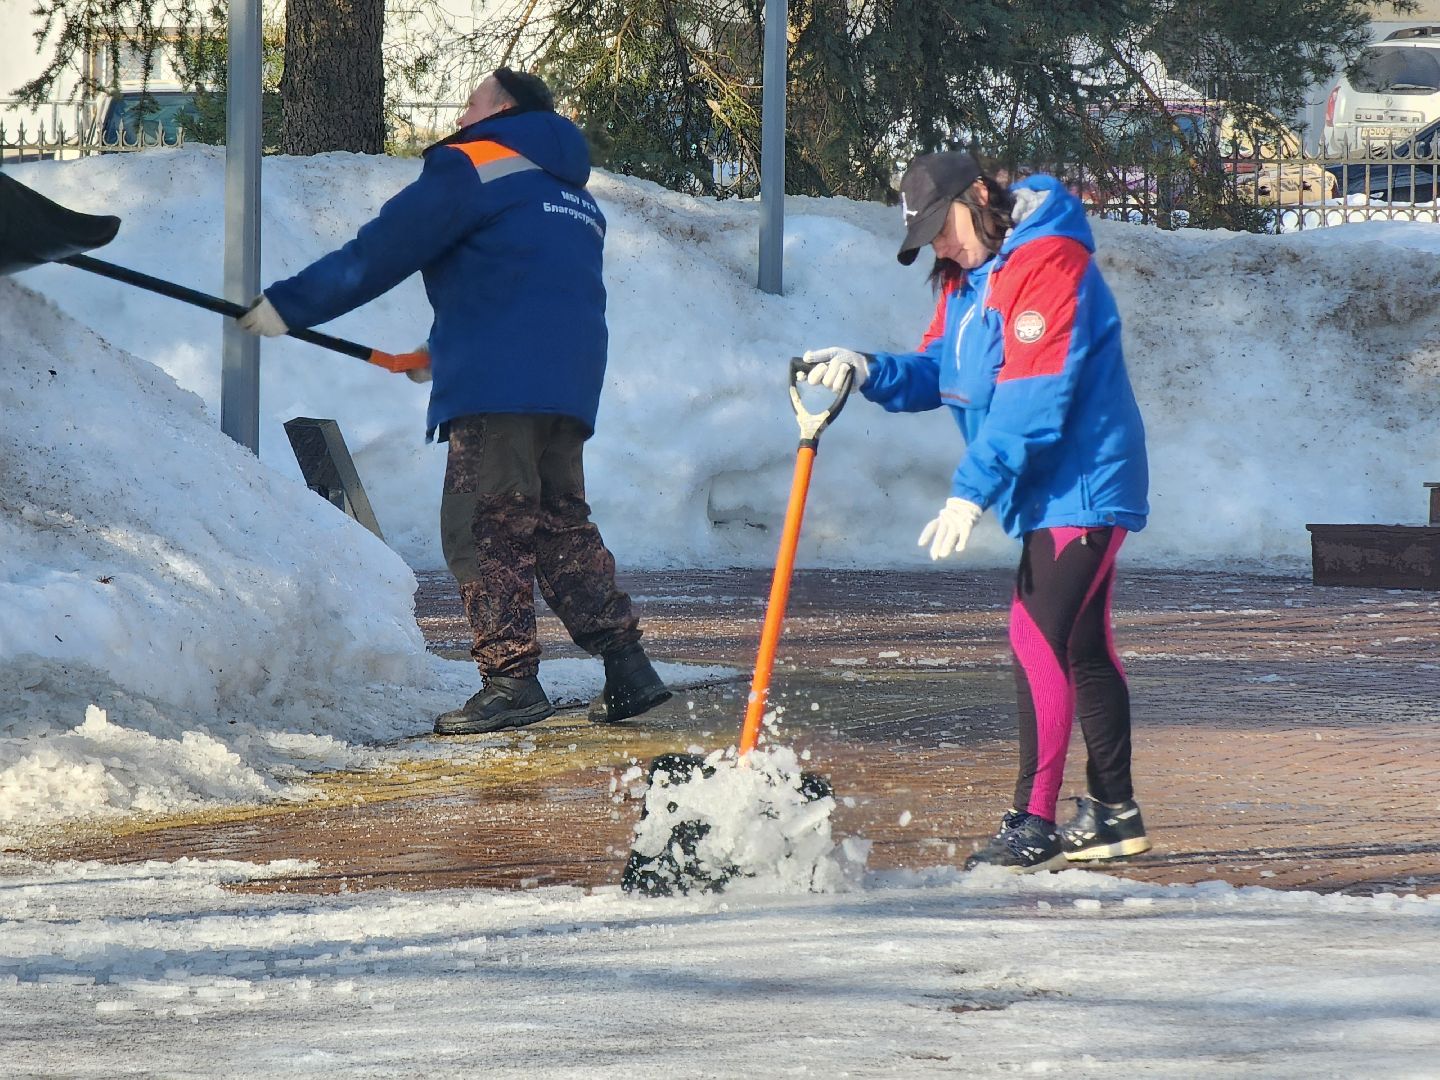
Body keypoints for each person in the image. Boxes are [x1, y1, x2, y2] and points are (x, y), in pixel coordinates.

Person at [237, 68, 670, 735]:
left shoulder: (475, 164)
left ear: (503, 109)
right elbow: (526, 285)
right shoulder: (569, 192)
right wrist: (443, 352)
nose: (461, 114)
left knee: (483, 523)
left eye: (471, 101)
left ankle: (511, 683)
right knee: (557, 524)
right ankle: (628, 665)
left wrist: (290, 305)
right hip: (567, 381)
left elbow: (380, 251)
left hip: (500, 386)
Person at [802, 152, 1150, 871]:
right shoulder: (969, 281)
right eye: (927, 237)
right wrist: (868, 369)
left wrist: (969, 490)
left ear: (980, 196)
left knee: (1035, 636)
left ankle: (1034, 821)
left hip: (1082, 481)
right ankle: (1114, 814)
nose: (940, 246)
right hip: (1045, 491)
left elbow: (1033, 398)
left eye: (942, 227)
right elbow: (940, 370)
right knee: (1080, 645)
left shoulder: (1048, 261)